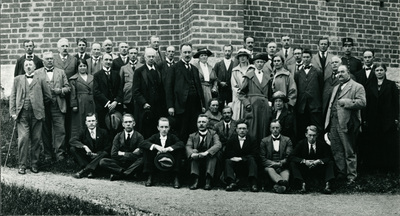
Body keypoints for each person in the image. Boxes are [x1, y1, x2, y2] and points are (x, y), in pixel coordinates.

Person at [324, 65, 366, 185]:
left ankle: (351, 176)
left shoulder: (357, 87)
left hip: (348, 123)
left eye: (342, 72)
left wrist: (347, 102)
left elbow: (363, 102)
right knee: (337, 149)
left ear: (348, 72)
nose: (340, 74)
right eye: (338, 72)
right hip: (334, 122)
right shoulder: (336, 87)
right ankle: (341, 173)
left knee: (349, 150)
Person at [10, 60, 51, 174]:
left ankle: (34, 164)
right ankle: (22, 165)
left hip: (37, 114)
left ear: (34, 67)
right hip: (22, 114)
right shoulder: (17, 79)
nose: (28, 67)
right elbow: (12, 96)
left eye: (30, 65)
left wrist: (39, 105)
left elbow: (48, 96)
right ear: (23, 68)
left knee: (36, 139)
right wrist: (13, 112)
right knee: (23, 139)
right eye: (26, 65)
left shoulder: (41, 79)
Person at [165, 43, 205, 142]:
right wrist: (170, 106)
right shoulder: (174, 68)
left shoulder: (194, 69)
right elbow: (168, 88)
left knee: (193, 129)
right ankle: (182, 154)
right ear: (181, 53)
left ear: (191, 53)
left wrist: (202, 104)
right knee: (182, 130)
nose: (187, 54)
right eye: (185, 52)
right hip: (181, 105)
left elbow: (199, 88)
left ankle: (191, 152)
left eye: (189, 52)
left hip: (194, 105)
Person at [363, 63, 399, 172]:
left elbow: (396, 103)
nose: (379, 72)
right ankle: (374, 166)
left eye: (381, 70)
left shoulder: (391, 85)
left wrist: (396, 117)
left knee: (387, 142)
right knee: (374, 142)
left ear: (385, 71)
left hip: (387, 119)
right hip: (373, 118)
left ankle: (387, 167)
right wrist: (365, 118)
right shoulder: (369, 86)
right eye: (377, 70)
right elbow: (366, 104)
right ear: (374, 72)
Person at [37, 51, 71, 162]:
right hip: (44, 106)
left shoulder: (61, 72)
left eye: (51, 58)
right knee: (45, 130)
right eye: (47, 59)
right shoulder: (37, 73)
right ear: (43, 61)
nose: (50, 60)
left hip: (58, 105)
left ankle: (60, 154)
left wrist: (60, 90)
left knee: (60, 130)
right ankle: (48, 154)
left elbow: (68, 87)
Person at [140, 117, 185, 188]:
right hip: (156, 161)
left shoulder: (172, 137)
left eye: (166, 127)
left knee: (178, 149)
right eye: (162, 127)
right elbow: (143, 143)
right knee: (147, 149)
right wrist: (155, 146)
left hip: (170, 161)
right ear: (158, 128)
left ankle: (176, 177)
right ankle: (150, 176)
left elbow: (181, 144)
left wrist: (169, 149)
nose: (164, 129)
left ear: (169, 128)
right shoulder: (155, 136)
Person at [290, 125, 335, 194]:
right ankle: (301, 184)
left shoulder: (322, 144)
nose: (312, 138)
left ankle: (328, 185)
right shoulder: (301, 144)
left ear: (317, 135)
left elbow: (329, 157)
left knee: (330, 163)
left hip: (318, 167)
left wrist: (319, 161)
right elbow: (292, 156)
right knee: (293, 163)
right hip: (305, 167)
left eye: (314, 135)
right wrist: (304, 161)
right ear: (306, 135)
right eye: (310, 135)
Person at [132, 48, 166, 138]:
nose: (151, 58)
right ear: (145, 57)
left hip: (157, 107)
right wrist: (144, 103)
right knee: (146, 131)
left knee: (156, 131)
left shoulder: (159, 70)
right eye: (149, 56)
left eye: (153, 56)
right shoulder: (139, 71)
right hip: (145, 108)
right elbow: (135, 91)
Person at [99, 114, 144, 181]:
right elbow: (113, 154)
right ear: (123, 124)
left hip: (132, 163)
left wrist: (122, 153)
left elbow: (140, 154)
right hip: (119, 163)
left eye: (130, 122)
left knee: (142, 160)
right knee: (103, 162)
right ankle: (128, 173)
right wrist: (131, 154)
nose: (128, 124)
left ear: (134, 123)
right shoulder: (118, 136)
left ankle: (120, 175)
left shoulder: (139, 136)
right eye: (126, 122)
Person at [239, 53, 272, 144]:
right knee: (252, 129)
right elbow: (241, 94)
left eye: (262, 62)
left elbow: (270, 94)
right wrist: (247, 104)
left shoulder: (268, 77)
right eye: (258, 62)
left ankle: (262, 151)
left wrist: (269, 103)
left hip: (264, 106)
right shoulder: (249, 76)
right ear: (254, 63)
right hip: (252, 106)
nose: (260, 64)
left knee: (264, 128)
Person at [186, 114, 222, 190]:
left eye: (203, 122)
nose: (201, 124)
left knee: (212, 156)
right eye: (199, 122)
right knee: (193, 157)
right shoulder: (192, 136)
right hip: (198, 157)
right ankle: (196, 180)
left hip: (209, 157)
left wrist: (206, 152)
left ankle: (208, 181)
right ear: (196, 124)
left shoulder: (213, 133)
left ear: (208, 123)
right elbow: (188, 146)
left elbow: (218, 144)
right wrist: (192, 153)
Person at [70, 113, 110, 179]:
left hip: (98, 157)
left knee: (105, 153)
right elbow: (72, 140)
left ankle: (84, 171)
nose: (91, 123)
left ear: (96, 122)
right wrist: (84, 146)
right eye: (89, 121)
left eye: (93, 121)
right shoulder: (82, 132)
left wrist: (97, 154)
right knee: (73, 149)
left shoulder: (103, 132)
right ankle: (91, 171)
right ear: (86, 123)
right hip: (87, 157)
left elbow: (108, 146)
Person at [294, 49, 323, 139]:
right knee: (303, 127)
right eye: (304, 57)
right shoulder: (298, 73)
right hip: (302, 106)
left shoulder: (317, 71)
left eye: (307, 57)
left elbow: (321, 87)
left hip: (314, 105)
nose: (306, 59)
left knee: (317, 127)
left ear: (311, 58)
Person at [224, 120, 259, 192]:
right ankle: (231, 183)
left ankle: (253, 184)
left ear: (247, 130)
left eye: (244, 128)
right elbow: (227, 153)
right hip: (235, 164)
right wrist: (234, 158)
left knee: (252, 159)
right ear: (236, 130)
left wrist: (241, 158)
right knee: (227, 161)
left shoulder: (252, 139)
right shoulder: (231, 139)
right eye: (240, 128)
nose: (242, 130)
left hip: (247, 164)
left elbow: (255, 154)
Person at [260, 120, 293, 193]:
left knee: (286, 172)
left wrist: (280, 163)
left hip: (282, 166)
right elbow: (262, 158)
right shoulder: (264, 141)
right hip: (270, 166)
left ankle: (279, 186)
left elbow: (289, 156)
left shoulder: (287, 140)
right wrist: (272, 163)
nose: (275, 130)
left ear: (280, 128)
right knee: (270, 170)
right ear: (270, 129)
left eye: (277, 127)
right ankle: (282, 184)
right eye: (273, 128)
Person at [93, 53, 123, 131]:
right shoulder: (97, 75)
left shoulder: (116, 74)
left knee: (116, 128)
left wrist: (115, 102)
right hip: (103, 106)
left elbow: (120, 89)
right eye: (106, 59)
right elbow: (96, 91)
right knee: (104, 128)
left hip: (116, 106)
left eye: (110, 60)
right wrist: (108, 103)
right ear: (102, 61)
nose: (108, 62)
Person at [69, 59, 95, 139]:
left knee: (92, 121)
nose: (82, 68)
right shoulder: (74, 79)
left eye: (84, 66)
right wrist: (74, 104)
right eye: (80, 66)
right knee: (80, 122)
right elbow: (73, 93)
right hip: (80, 103)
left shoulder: (92, 77)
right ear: (77, 68)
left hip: (91, 102)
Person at [120, 47, 142, 114]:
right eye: (131, 53)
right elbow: (120, 84)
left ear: (137, 55)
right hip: (127, 97)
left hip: (139, 95)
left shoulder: (142, 67)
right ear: (128, 54)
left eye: (135, 53)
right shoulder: (123, 68)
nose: (133, 55)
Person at [231, 48, 251, 120]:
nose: (242, 58)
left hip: (249, 97)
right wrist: (241, 94)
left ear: (247, 57)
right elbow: (234, 86)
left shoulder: (252, 69)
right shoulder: (235, 71)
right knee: (238, 117)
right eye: (240, 56)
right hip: (238, 98)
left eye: (244, 56)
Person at [213, 44, 235, 111]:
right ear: (223, 51)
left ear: (232, 52)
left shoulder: (234, 65)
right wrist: (220, 82)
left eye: (229, 51)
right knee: (219, 109)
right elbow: (214, 77)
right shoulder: (218, 65)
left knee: (231, 109)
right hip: (220, 92)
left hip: (231, 92)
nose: (227, 53)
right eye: (225, 51)